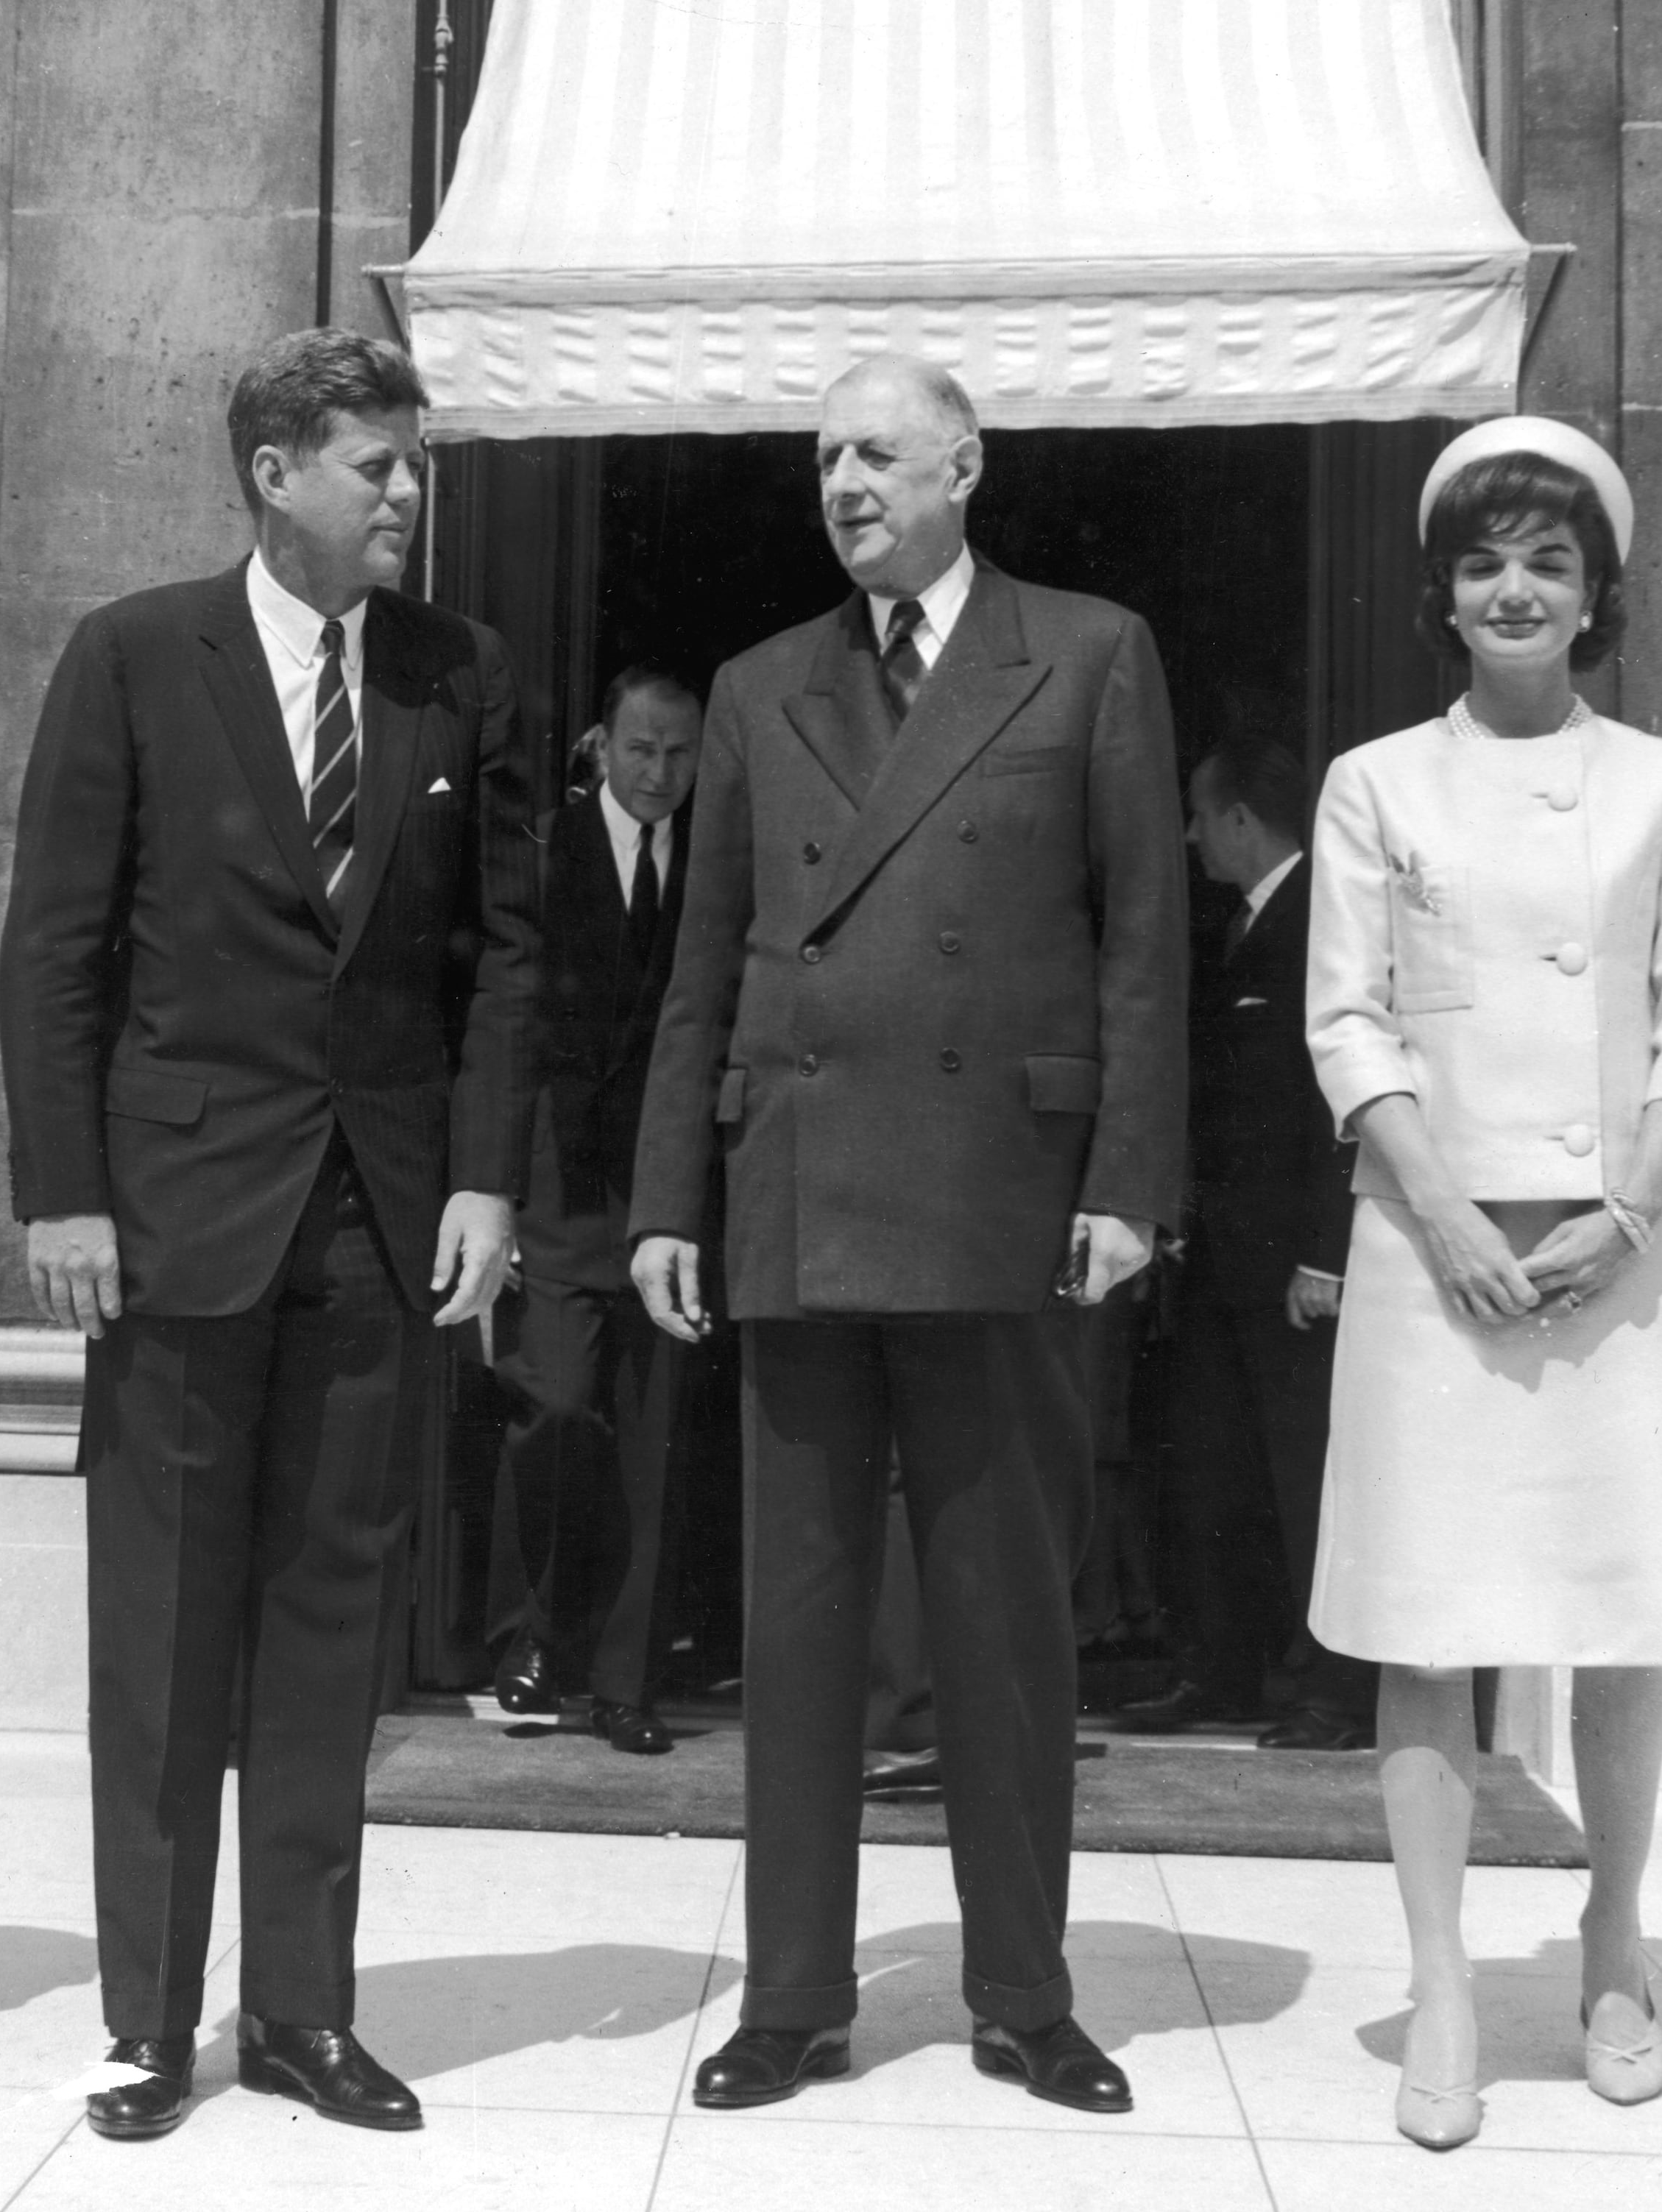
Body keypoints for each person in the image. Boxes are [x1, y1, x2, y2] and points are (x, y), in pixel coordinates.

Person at [630, 354, 1186, 2117]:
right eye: (821, 460)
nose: (843, 483)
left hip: (1001, 1200)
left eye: (876, 452)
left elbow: (1143, 946)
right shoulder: (755, 685)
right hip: (796, 1185)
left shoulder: (1089, 653)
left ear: (967, 466)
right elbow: (699, 965)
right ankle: (793, 1996)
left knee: (1003, 1617)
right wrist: (665, 1199)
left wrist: (1127, 1182)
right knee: (797, 1621)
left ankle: (1025, 1992)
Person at [0, 327, 536, 2141]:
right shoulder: (136, 657)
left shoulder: (463, 676)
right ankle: (147, 2024)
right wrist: (62, 1189)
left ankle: (304, 2013)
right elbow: (54, 950)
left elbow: (508, 959)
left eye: (412, 462)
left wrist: (481, 1176)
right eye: (374, 464)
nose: (408, 492)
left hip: (377, 1229)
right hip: (167, 1227)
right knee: (159, 1639)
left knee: (327, 1635)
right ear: (273, 473)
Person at [1303, 417, 1662, 2151]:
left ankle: (1616, 1936)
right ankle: (1440, 1979)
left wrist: (1625, 1209)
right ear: (1447, 590)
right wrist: (1446, 1212)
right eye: (1487, 560)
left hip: (1614, 1258)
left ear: (1594, 598)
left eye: (1549, 564)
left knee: (1620, 1614)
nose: (1515, 589)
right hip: (1434, 1252)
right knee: (1429, 1625)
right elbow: (1350, 1016)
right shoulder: (1375, 784)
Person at [1113, 739, 1373, 1751]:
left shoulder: (1321, 921)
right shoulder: (1244, 925)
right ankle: (1227, 1670)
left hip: (1296, 1270)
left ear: (1237, 821)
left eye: (1196, 815)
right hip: (1228, 1263)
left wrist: (1329, 1250)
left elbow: (1338, 1102)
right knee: (1220, 1472)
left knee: (1309, 1479)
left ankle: (1337, 1691)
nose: (1186, 835)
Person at [489, 663, 704, 1755]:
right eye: (641, 750)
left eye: (678, 753)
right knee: (560, 1408)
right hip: (557, 1189)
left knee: (653, 1443)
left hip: (667, 1198)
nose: (660, 772)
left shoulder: (717, 868)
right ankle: (537, 1635)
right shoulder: (534, 855)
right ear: (599, 746)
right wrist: (496, 1194)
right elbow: (497, 1032)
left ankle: (626, 1681)